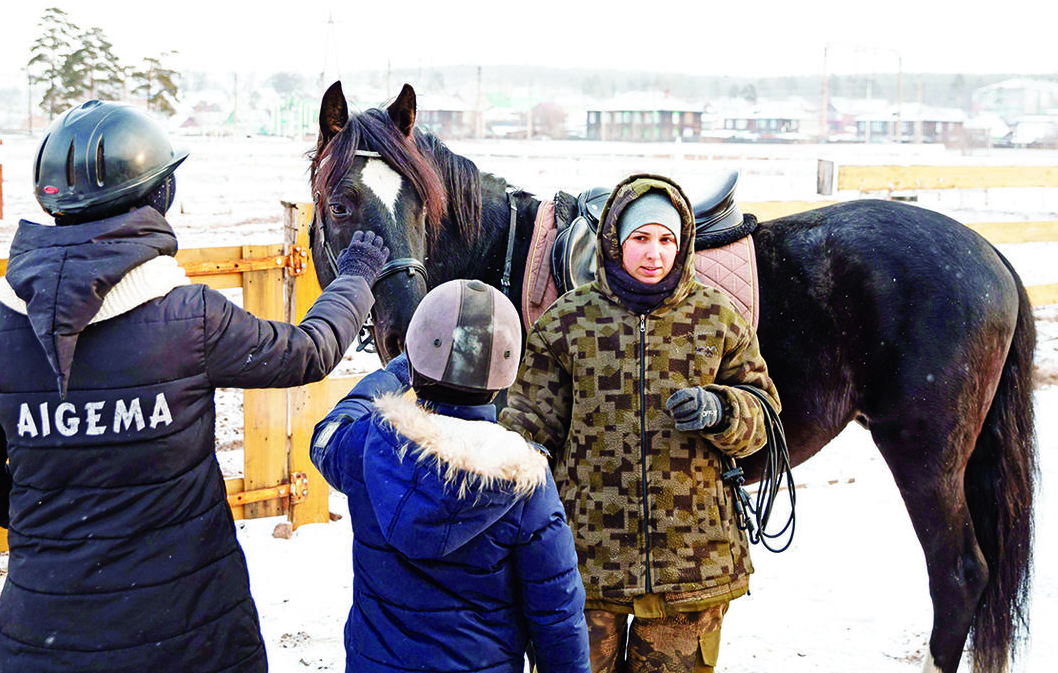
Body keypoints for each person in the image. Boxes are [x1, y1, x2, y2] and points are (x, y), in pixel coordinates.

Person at [0, 99, 389, 673]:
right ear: (158, 196)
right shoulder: (189, 318)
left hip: (46, 638)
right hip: (192, 635)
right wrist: (355, 276)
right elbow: (306, 352)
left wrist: (58, 522)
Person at [499, 173, 780, 673]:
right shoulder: (566, 321)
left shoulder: (718, 318)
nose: (654, 253)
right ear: (615, 241)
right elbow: (527, 423)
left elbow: (764, 419)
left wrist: (723, 410)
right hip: (585, 562)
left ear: (683, 243)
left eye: (666, 239)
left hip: (692, 565)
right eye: (640, 238)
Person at [310, 279, 591, 673]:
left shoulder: (368, 444)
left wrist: (394, 375)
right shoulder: (525, 481)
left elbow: (326, 434)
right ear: (505, 372)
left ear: (415, 359)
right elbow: (556, 615)